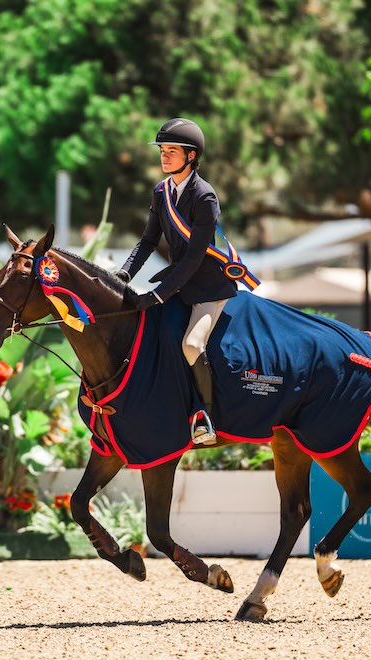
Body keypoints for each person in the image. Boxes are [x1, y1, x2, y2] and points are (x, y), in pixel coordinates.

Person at [117, 117, 256, 445]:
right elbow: (147, 241)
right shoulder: (161, 191)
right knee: (156, 335)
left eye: (171, 151)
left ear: (191, 156)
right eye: (162, 150)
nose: (164, 156)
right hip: (179, 284)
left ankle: (203, 415)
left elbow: (194, 258)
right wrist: (122, 275)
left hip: (208, 287)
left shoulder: (204, 197)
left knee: (192, 344)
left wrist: (159, 295)